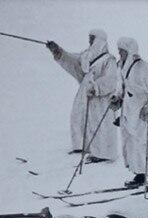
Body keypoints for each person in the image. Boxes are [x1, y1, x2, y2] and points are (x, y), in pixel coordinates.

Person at [46, 29, 118, 162]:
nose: (90, 41)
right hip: (85, 93)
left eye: (92, 38)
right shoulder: (86, 56)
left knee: (99, 122)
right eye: (89, 38)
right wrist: (59, 51)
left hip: (100, 97)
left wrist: (96, 87)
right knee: (78, 115)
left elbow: (112, 80)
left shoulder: (109, 60)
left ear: (99, 40)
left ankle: (102, 153)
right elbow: (73, 61)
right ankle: (82, 145)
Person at [110, 37, 148, 188]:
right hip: (130, 112)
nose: (120, 54)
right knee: (131, 144)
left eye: (122, 51)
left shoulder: (145, 68)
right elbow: (122, 87)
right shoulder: (122, 68)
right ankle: (139, 174)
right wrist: (117, 97)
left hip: (145, 114)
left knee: (145, 143)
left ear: (130, 51)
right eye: (119, 51)